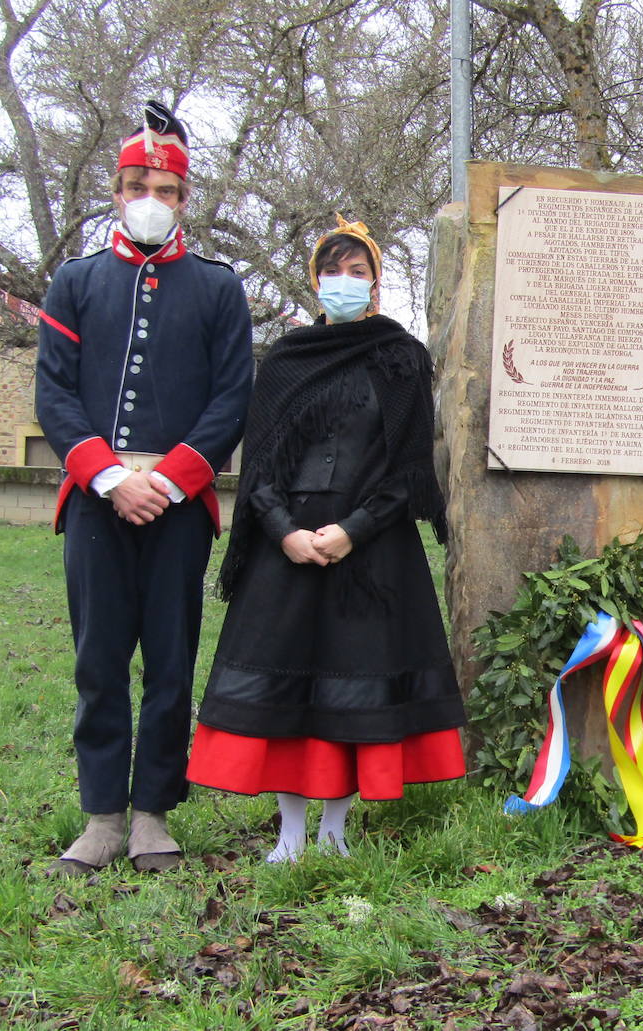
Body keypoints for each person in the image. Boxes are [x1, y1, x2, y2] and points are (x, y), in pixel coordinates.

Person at [186, 216, 466, 861]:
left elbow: (411, 470)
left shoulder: (401, 358)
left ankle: (335, 831)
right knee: (294, 687)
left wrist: (352, 531)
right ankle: (289, 834)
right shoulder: (285, 360)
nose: (346, 281)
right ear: (316, 281)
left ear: (375, 283)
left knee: (351, 686)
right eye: (333, 270)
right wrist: (284, 533)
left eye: (358, 271)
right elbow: (257, 464)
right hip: (285, 550)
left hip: (370, 550)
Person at [35, 102, 254, 875]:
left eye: (164, 186)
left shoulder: (220, 289)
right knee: (98, 661)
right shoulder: (76, 282)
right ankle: (100, 815)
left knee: (169, 659)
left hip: (178, 504)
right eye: (136, 184)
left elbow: (231, 398)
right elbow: (54, 395)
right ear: (117, 189)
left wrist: (164, 480)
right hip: (95, 500)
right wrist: (105, 475)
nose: (149, 197)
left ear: (185, 197)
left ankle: (153, 814)